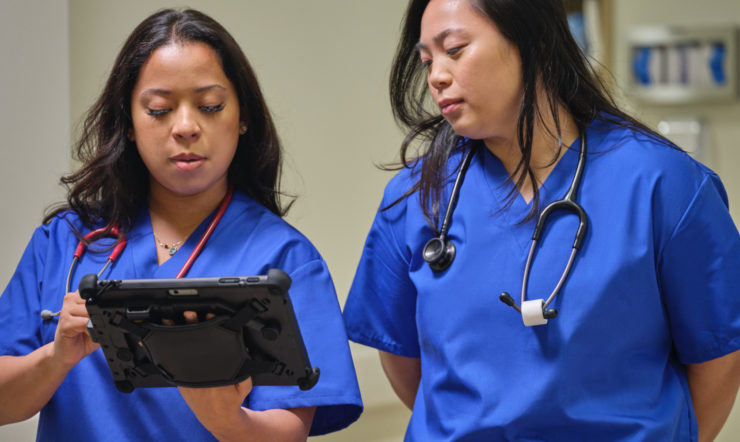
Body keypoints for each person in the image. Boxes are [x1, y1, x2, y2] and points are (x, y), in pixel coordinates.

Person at [342, 0, 740, 440]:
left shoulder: (661, 183)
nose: (436, 75)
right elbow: (403, 361)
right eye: (427, 60)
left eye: (454, 49)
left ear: (535, 42)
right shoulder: (417, 197)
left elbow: (718, 355)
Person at [0, 8, 362, 441]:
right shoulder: (65, 242)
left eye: (210, 106)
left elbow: (289, 433)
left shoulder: (284, 260)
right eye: (158, 110)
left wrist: (226, 418)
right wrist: (54, 359)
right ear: (129, 123)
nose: (186, 127)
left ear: (242, 117)